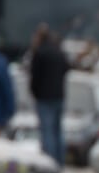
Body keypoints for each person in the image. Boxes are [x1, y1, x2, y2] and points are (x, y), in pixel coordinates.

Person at [28, 24, 71, 165]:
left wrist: (35, 92)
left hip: (44, 97)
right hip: (59, 96)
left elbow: (34, 76)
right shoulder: (58, 52)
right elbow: (66, 69)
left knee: (47, 132)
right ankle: (60, 161)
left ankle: (49, 162)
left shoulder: (39, 53)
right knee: (58, 131)